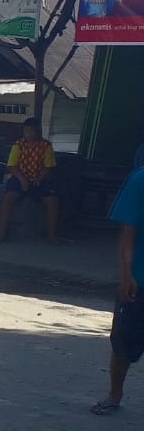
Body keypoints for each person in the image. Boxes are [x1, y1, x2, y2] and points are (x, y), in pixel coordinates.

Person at [92, 162, 144, 415]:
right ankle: (114, 395)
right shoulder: (140, 180)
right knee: (124, 341)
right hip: (140, 278)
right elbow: (128, 231)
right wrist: (126, 273)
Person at [0, 118, 59, 243]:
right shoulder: (18, 145)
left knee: (53, 201)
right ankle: (2, 233)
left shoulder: (46, 146)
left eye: (31, 131)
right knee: (8, 198)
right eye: (26, 131)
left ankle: (52, 235)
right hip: (19, 177)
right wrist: (22, 180)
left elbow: (48, 167)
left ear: (38, 131)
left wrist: (39, 178)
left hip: (39, 180)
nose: (29, 134)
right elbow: (12, 166)